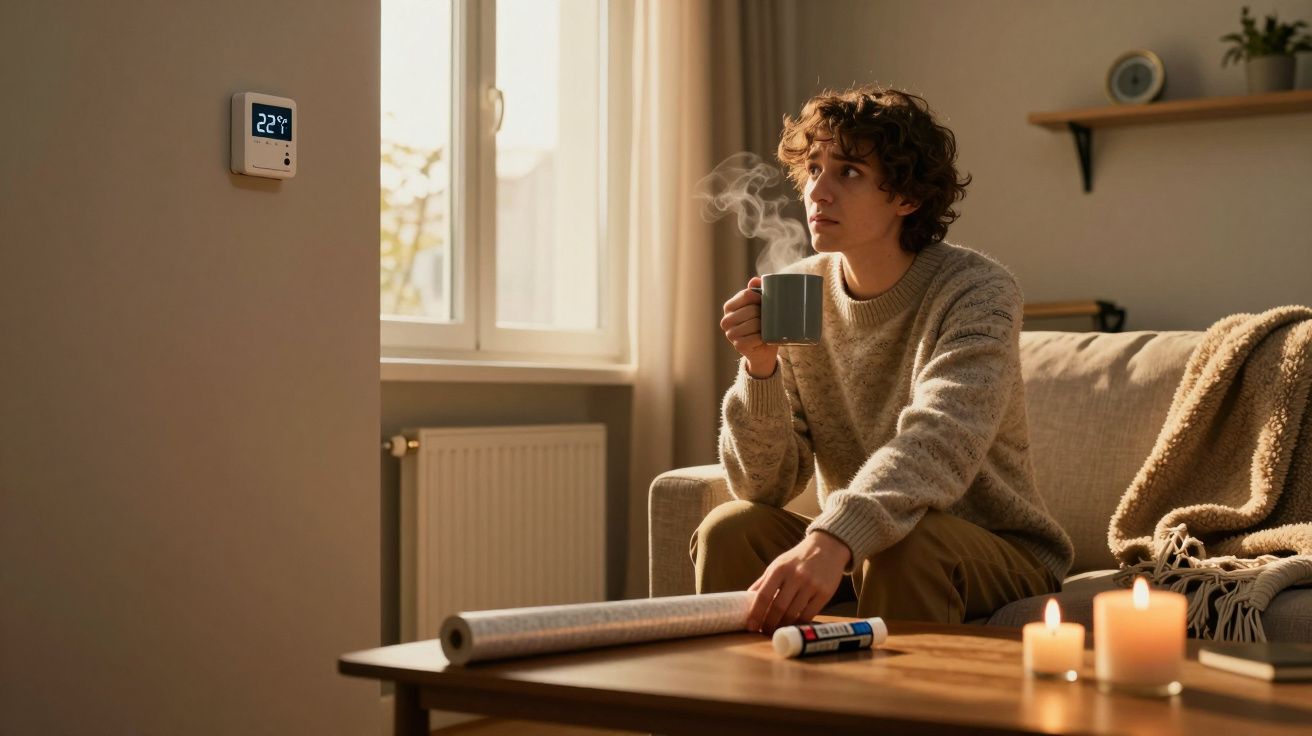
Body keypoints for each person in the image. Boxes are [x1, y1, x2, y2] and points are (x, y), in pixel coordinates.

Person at [696, 85, 1074, 634]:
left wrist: (835, 537)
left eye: (848, 172)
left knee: (908, 542)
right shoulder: (800, 292)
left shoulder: (978, 290)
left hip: (992, 548)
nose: (817, 191)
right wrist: (760, 369)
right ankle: (739, 689)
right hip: (861, 542)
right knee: (731, 529)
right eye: (814, 169)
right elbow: (764, 488)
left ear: (907, 197)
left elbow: (940, 438)